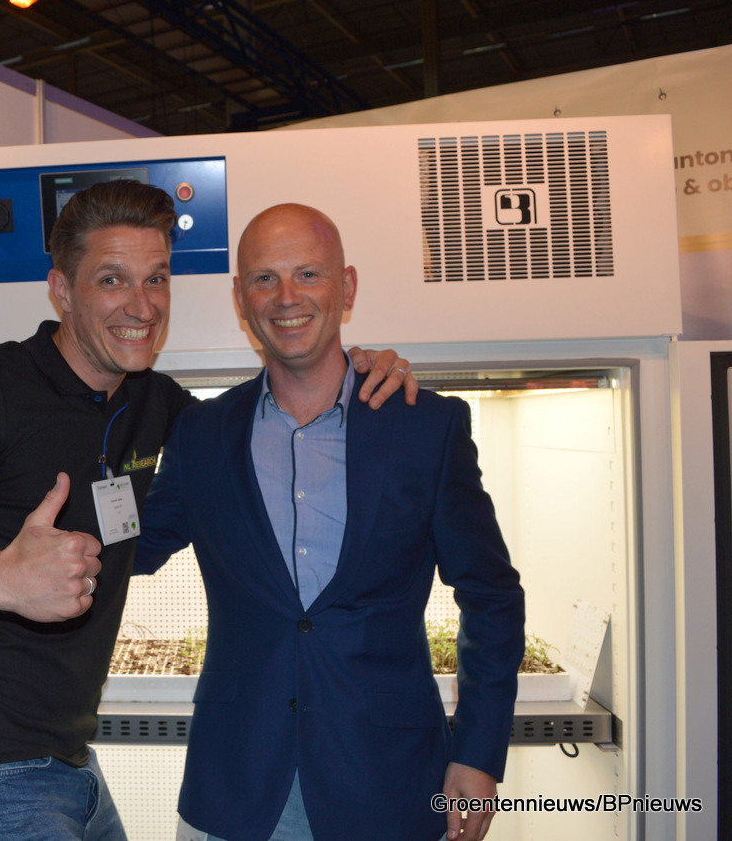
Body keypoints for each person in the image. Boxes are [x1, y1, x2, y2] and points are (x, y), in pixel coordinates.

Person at [0, 181, 416, 840]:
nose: (142, 305)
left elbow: (266, 428)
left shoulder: (157, 405)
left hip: (69, 761)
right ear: (62, 291)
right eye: (112, 280)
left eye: (156, 279)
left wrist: (353, 368)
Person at [136, 204, 525, 841]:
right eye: (264, 278)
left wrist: (478, 752)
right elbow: (128, 549)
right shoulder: (201, 433)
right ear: (241, 298)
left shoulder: (425, 427)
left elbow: (491, 595)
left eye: (308, 274)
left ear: (346, 287)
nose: (286, 297)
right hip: (236, 785)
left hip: (389, 784)